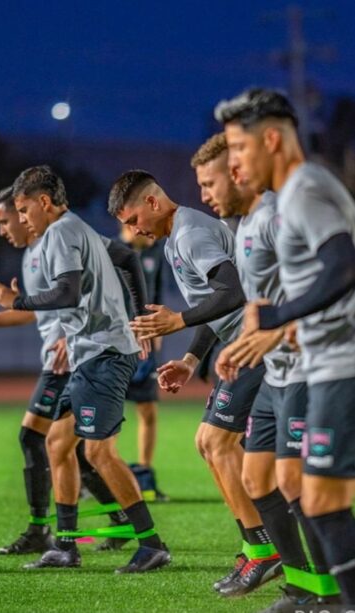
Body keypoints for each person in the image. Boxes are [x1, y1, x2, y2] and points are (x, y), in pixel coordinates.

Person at [0, 165, 170, 574]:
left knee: (98, 452)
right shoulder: (78, 228)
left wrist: (14, 301)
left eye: (24, 208)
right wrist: (137, 317)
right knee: (56, 443)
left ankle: (150, 542)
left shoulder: (62, 232)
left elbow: (66, 291)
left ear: (44, 202)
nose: (23, 217)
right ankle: (65, 546)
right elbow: (125, 257)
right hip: (91, 354)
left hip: (104, 354)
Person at [107, 169, 283, 595]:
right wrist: (189, 358)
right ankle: (258, 544)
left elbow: (233, 291)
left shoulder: (188, 233)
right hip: (239, 342)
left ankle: (265, 549)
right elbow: (215, 304)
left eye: (133, 219)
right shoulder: (177, 238)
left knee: (217, 442)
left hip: (253, 344)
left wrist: (177, 320)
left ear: (152, 202)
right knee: (211, 443)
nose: (132, 230)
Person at [215, 87, 355, 605]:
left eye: (239, 148)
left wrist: (279, 316)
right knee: (317, 497)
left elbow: (342, 264)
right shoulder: (292, 195)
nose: (235, 162)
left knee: (317, 496)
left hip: (340, 363)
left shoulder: (303, 189)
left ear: (270, 139)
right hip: (319, 366)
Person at [193, 131, 337, 608]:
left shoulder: (280, 213)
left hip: (304, 369)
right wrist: (243, 341)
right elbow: (261, 301)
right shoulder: (246, 225)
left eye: (212, 181)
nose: (209, 192)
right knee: (257, 480)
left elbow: (325, 279)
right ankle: (302, 586)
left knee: (301, 486)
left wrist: (281, 330)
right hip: (273, 373)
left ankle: (331, 591)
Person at [0, 187, 129, 555]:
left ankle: (44, 531)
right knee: (76, 449)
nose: (3, 229)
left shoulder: (59, 241)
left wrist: (71, 333)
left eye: (7, 219)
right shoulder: (33, 254)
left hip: (71, 360)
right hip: (61, 359)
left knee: (36, 438)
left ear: (24, 213)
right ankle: (118, 521)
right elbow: (38, 309)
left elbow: (83, 289)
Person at [114, 223, 169, 502]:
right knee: (110, 414)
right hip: (114, 344)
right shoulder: (110, 250)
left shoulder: (155, 251)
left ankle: (145, 472)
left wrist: (156, 331)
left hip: (145, 343)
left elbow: (156, 292)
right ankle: (103, 474)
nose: (150, 232)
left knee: (148, 410)